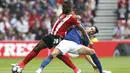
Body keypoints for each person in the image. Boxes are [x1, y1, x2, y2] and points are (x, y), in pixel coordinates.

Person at [11, 1, 93, 73]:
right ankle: (22, 64)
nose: (63, 8)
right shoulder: (64, 14)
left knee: (57, 54)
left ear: (69, 8)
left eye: (64, 7)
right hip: (51, 35)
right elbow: (76, 15)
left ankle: (75, 69)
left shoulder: (72, 18)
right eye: (63, 6)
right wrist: (78, 16)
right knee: (39, 49)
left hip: (58, 38)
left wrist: (89, 41)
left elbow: (82, 29)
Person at [35, 23, 105, 73]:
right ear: (90, 27)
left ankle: (100, 70)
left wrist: (93, 65)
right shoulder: (81, 25)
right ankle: (40, 69)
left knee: (91, 51)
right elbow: (72, 22)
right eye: (92, 29)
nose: (91, 30)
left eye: (93, 32)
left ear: (92, 34)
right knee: (53, 54)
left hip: (75, 46)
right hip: (66, 42)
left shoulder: (86, 39)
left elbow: (86, 54)